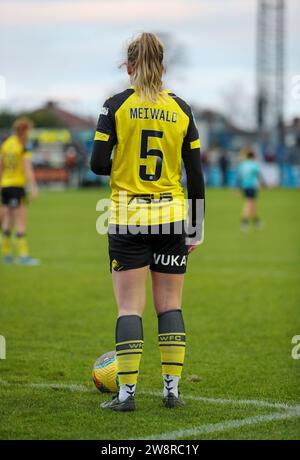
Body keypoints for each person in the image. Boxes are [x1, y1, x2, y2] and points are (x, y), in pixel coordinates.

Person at [91, 32, 205, 412]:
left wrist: (120, 161)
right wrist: (197, 224)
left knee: (129, 308)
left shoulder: (115, 106)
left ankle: (126, 396)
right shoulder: (182, 109)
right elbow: (196, 174)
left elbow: (96, 163)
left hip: (127, 217)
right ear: (163, 67)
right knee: (170, 305)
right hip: (173, 217)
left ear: (129, 67)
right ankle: (172, 392)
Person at [0, 117, 40, 265]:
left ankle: (6, 255)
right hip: (17, 186)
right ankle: (23, 256)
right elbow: (27, 168)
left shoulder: (6, 144)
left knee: (7, 220)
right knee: (20, 221)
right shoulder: (22, 146)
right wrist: (34, 187)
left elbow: (1, 165)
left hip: (5, 186)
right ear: (24, 130)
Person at [237, 148, 262, 231]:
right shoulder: (254, 164)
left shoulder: (242, 164)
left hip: (245, 187)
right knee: (249, 205)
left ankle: (256, 221)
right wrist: (264, 184)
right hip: (251, 186)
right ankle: (244, 222)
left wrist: (239, 188)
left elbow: (239, 177)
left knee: (253, 204)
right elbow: (259, 175)